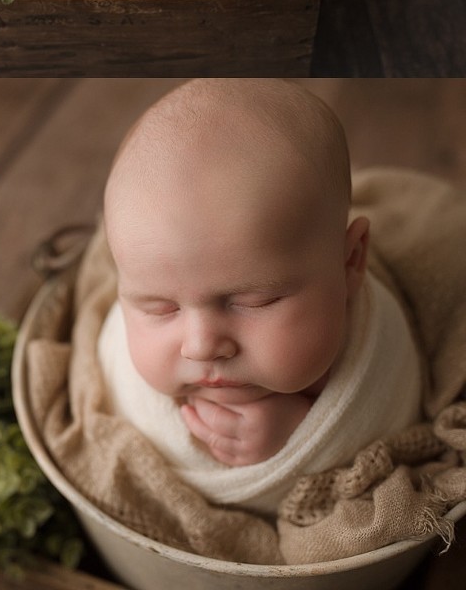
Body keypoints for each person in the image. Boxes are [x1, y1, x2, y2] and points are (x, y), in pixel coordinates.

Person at [98, 79, 422, 514]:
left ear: (351, 262)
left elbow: (386, 433)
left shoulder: (374, 343)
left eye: (252, 302)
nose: (201, 345)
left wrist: (300, 440)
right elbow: (116, 408)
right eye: (160, 308)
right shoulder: (125, 337)